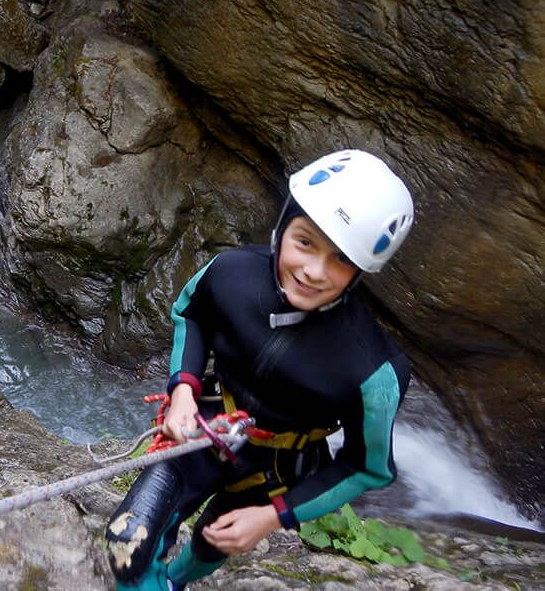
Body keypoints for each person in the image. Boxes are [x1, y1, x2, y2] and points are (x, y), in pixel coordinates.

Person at [104, 149, 415, 590]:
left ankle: (175, 580)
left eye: (341, 259)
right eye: (304, 242)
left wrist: (273, 517)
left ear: (361, 271)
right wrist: (183, 391)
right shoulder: (232, 273)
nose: (313, 272)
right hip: (205, 428)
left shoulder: (372, 369)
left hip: (278, 470)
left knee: (213, 543)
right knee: (126, 543)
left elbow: (367, 466)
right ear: (282, 227)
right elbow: (190, 314)